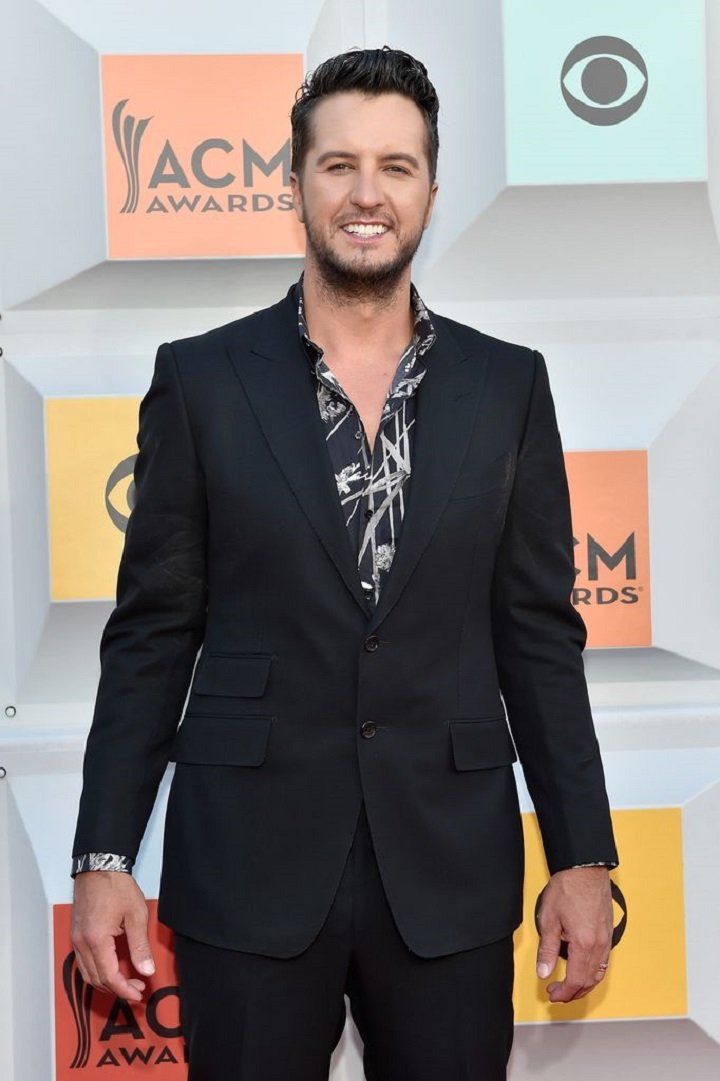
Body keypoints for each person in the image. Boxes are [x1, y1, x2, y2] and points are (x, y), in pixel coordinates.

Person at [71, 47, 618, 1081]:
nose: (367, 194)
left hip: (448, 867)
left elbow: (539, 637)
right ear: (295, 182)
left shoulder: (509, 387)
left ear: (430, 191)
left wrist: (583, 856)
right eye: (339, 165)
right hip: (247, 866)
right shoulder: (200, 380)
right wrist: (103, 857)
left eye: (396, 167)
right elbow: (150, 635)